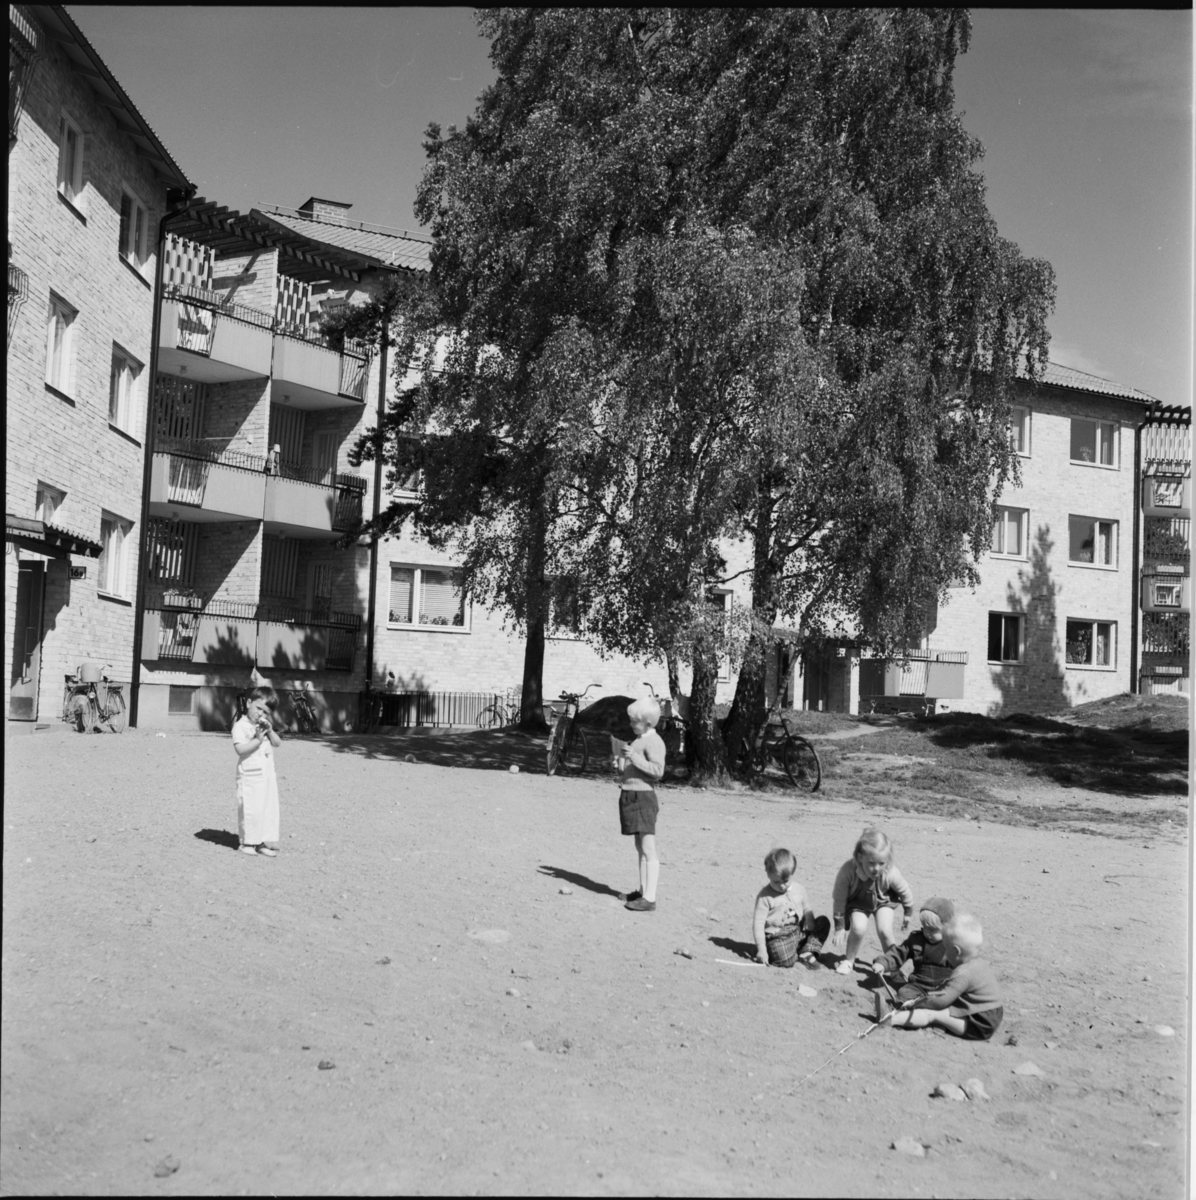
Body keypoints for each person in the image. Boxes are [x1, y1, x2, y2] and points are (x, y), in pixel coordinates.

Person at [876, 912, 1004, 1041]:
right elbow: (947, 991)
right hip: (991, 1014)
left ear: (956, 951)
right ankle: (942, 1023)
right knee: (943, 1009)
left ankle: (890, 1019)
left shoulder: (963, 973)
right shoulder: (981, 964)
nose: (944, 953)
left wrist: (917, 1003)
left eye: (946, 948)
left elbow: (940, 1000)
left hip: (978, 1024)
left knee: (931, 1014)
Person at [829, 827, 914, 974]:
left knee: (885, 930)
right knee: (858, 928)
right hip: (859, 903)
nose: (876, 869)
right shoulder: (848, 870)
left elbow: (905, 891)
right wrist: (839, 926)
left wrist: (908, 912)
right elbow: (839, 898)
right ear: (860, 857)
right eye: (871, 863)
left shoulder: (890, 872)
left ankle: (893, 966)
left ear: (887, 860)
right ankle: (849, 960)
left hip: (884, 901)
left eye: (881, 863)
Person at [616, 697, 667, 912]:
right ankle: (642, 890)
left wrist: (634, 757)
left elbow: (657, 771)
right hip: (631, 794)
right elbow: (633, 768)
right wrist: (621, 762)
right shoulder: (638, 740)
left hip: (643, 797)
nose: (630, 724)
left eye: (634, 721)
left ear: (647, 722)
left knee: (648, 848)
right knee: (640, 847)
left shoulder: (654, 741)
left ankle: (650, 898)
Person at [752, 847, 831, 967]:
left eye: (785, 881)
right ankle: (793, 953)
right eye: (776, 882)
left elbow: (806, 907)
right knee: (782, 957)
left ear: (792, 872)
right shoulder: (765, 897)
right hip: (778, 937)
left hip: (798, 932)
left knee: (823, 922)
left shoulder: (799, 889)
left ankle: (806, 951)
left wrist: (809, 919)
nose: (781, 886)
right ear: (768, 874)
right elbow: (758, 924)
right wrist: (761, 949)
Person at [870, 896, 956, 1003]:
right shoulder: (916, 940)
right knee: (903, 993)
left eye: (933, 930)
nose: (927, 933)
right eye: (924, 927)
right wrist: (883, 963)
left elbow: (966, 967)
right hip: (918, 986)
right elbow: (898, 953)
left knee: (953, 999)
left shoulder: (953, 945)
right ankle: (896, 1008)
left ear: (948, 927)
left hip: (943, 988)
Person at [232, 686, 282, 857]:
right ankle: (247, 842)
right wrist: (258, 739)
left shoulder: (264, 726)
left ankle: (260, 841)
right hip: (250, 775)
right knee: (251, 808)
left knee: (266, 807)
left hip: (266, 774)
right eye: (258, 708)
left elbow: (277, 743)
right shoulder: (241, 726)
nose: (261, 714)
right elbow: (240, 750)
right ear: (248, 703)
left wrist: (270, 731)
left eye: (266, 712)